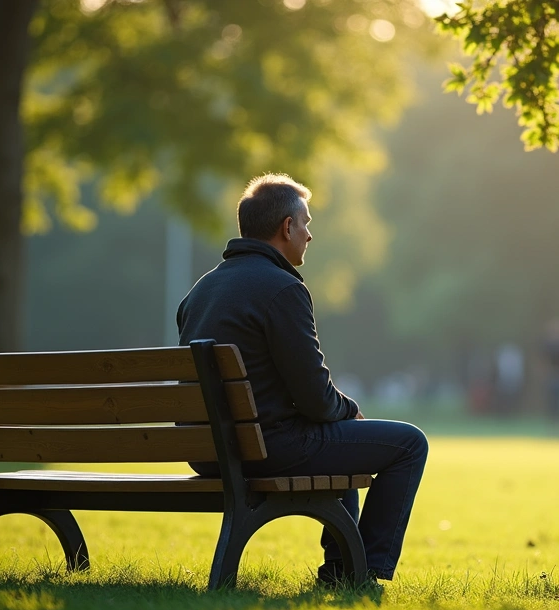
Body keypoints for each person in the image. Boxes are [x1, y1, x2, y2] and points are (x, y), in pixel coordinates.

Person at [177, 174, 428, 588]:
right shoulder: (281, 288)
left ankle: (344, 567)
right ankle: (359, 572)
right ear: (286, 227)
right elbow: (314, 397)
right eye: (306, 223)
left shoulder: (201, 290)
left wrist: (336, 414)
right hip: (264, 448)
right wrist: (350, 410)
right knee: (409, 444)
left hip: (207, 450)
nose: (310, 235)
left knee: (335, 431)